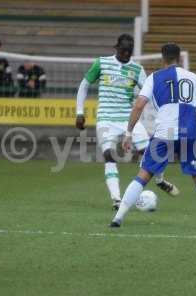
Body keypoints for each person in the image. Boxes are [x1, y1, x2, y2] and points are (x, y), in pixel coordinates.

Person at [110, 43, 196, 231]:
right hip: (190, 134)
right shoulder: (195, 78)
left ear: (162, 59)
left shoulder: (154, 78)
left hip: (164, 135)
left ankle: (117, 218)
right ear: (180, 58)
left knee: (143, 175)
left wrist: (129, 133)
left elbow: (139, 105)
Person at [75, 34, 179, 211]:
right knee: (109, 155)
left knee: (149, 153)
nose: (126, 54)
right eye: (123, 51)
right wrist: (79, 112)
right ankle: (116, 199)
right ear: (116, 48)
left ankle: (160, 181)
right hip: (106, 118)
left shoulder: (137, 69)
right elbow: (84, 85)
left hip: (128, 118)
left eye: (129, 52)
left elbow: (149, 93)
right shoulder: (101, 63)